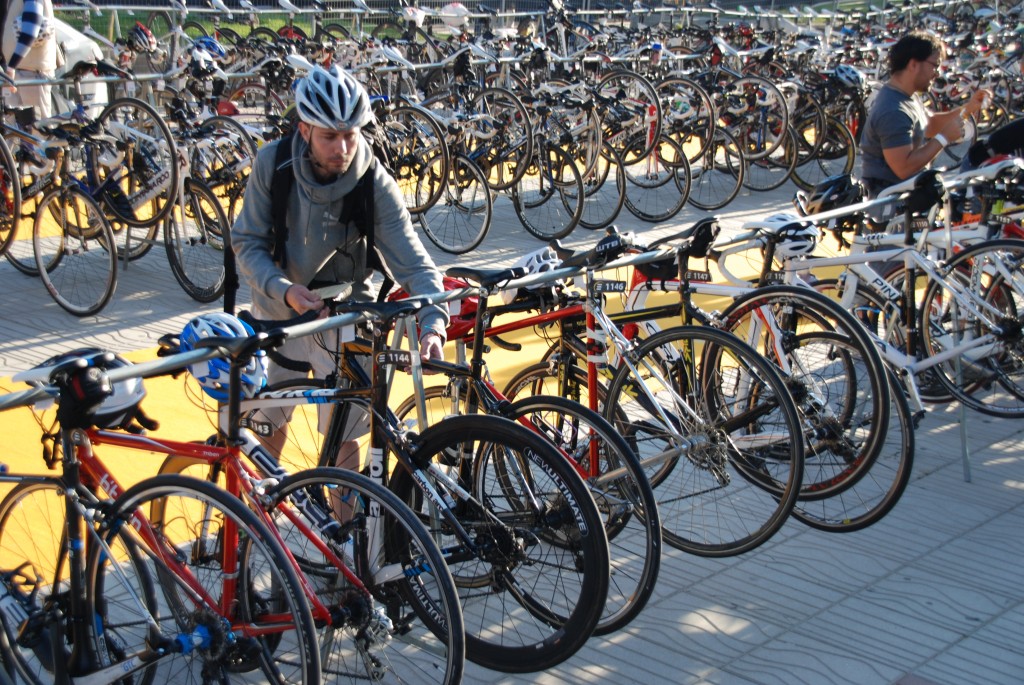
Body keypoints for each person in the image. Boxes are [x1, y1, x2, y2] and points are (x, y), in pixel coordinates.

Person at [231, 64, 449, 472]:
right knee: (265, 434)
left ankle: (342, 537)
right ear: (304, 130)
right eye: (330, 136)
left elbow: (414, 262)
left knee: (345, 445)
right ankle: (254, 530)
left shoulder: (373, 181)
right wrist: (283, 289)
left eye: (351, 135)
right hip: (279, 316)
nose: (342, 149)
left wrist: (433, 323)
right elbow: (247, 243)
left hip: (348, 321)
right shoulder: (271, 165)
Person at [860, 30, 991, 199]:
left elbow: (929, 124)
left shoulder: (906, 96)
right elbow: (904, 167)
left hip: (907, 200)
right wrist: (944, 138)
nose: (937, 73)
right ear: (913, 64)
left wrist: (970, 107)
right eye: (935, 65)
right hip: (889, 209)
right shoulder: (893, 110)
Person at [2, 0, 58, 122]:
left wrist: (11, 67)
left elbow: (30, 31)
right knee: (16, 133)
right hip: (22, 73)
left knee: (38, 131)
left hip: (31, 74)